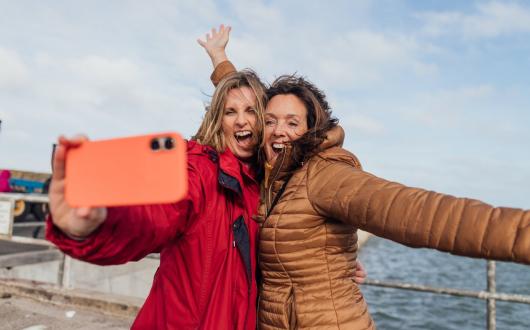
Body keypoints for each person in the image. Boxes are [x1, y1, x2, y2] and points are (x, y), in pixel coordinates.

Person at [200, 25, 530, 329]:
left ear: (311, 130)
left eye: (291, 122)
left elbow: (426, 215)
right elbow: (243, 108)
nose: (278, 131)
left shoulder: (326, 176)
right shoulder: (273, 177)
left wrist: (521, 235)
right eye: (270, 121)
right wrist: (220, 60)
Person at [47, 70, 268, 329]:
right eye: (230, 112)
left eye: (251, 111)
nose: (242, 120)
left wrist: (219, 57)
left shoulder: (263, 184)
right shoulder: (199, 172)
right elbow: (155, 215)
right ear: (218, 119)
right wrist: (96, 224)